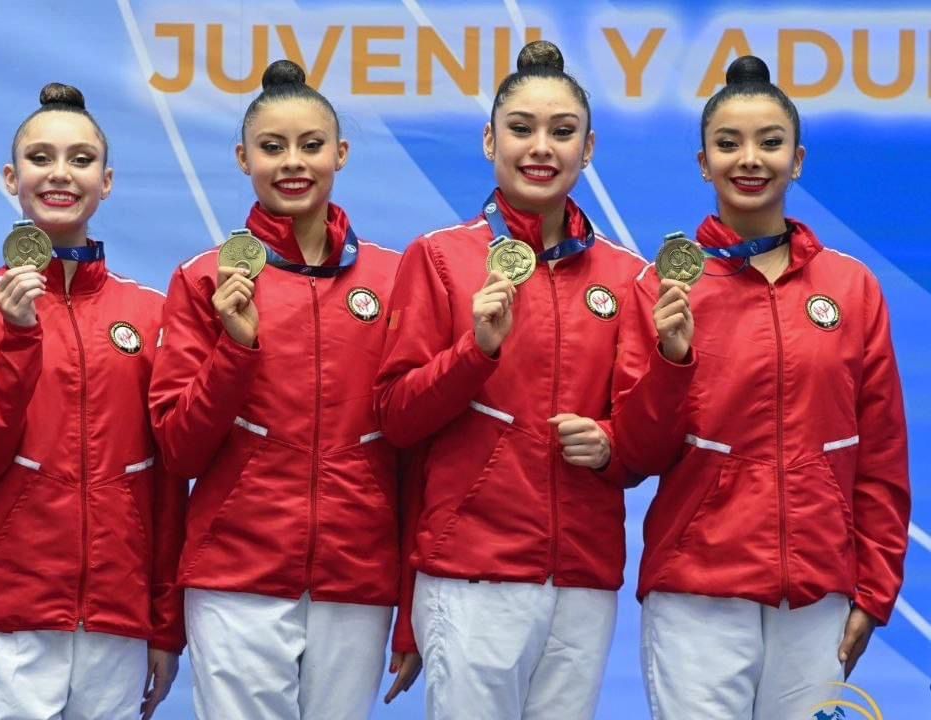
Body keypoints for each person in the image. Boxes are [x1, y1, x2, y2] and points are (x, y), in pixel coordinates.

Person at [611, 55, 911, 720]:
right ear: (702, 163)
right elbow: (634, 455)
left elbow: (882, 455)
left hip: (819, 589)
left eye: (770, 143)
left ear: (797, 160)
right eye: (729, 143)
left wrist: (876, 586)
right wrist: (671, 357)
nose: (750, 159)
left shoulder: (852, 288)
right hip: (697, 589)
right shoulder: (662, 287)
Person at [373, 41, 648, 720]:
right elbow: (396, 416)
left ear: (589, 149)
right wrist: (476, 352)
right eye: (521, 129)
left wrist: (615, 442)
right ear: (490, 139)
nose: (541, 148)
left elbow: (649, 435)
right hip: (473, 570)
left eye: (562, 133)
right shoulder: (439, 258)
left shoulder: (626, 276)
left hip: (583, 574)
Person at [148, 59, 405, 719]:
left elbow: (419, 443)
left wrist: (411, 595)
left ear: (341, 154)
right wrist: (236, 347)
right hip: (236, 571)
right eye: (273, 147)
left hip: (357, 571)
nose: (293, 162)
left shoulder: (396, 279)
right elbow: (178, 448)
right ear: (242, 158)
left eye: (311, 145)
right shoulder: (205, 279)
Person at [0, 83, 185, 720]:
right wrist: (18, 337)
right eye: (41, 157)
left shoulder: (149, 312)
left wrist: (163, 622)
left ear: (107, 180)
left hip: (116, 621)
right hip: (8, 618)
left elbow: (163, 484)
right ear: (10, 176)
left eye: (80, 159)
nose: (60, 173)